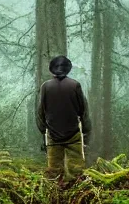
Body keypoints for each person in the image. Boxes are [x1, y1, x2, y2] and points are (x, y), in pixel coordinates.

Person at [36, 55, 92, 183]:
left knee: (54, 173)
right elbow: (83, 110)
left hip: (52, 134)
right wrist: (86, 130)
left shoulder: (45, 87)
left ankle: (55, 197)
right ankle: (75, 194)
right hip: (73, 134)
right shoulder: (75, 85)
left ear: (52, 69)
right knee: (76, 171)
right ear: (68, 69)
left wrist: (43, 130)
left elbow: (40, 111)